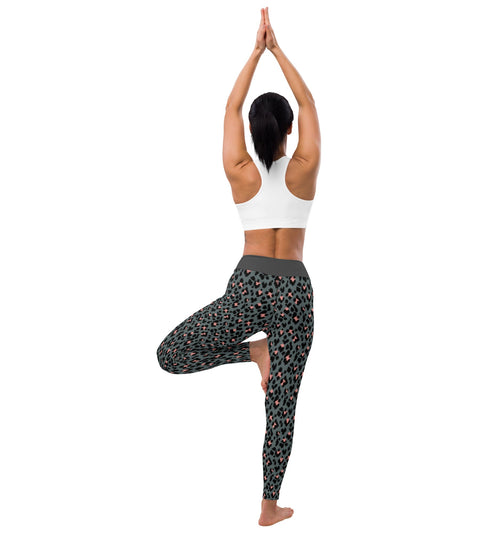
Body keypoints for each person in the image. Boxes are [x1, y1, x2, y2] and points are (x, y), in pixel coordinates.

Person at [156, 6, 320, 527]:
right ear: (290, 129)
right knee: (282, 404)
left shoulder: (239, 170)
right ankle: (269, 505)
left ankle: (253, 351)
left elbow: (230, 106)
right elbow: (307, 102)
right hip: (293, 292)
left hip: (249, 287)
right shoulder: (305, 167)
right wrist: (277, 51)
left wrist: (254, 53)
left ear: (252, 132)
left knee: (170, 354)